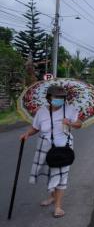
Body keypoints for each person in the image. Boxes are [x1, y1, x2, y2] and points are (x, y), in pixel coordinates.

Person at [19, 85, 82, 218]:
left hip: (64, 149)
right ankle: (52, 197)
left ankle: (58, 207)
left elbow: (79, 124)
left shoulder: (70, 110)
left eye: (62, 97)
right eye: (56, 97)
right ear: (49, 98)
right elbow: (36, 128)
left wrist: (70, 122)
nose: (59, 99)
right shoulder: (41, 111)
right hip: (45, 148)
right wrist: (27, 134)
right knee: (49, 174)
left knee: (60, 177)